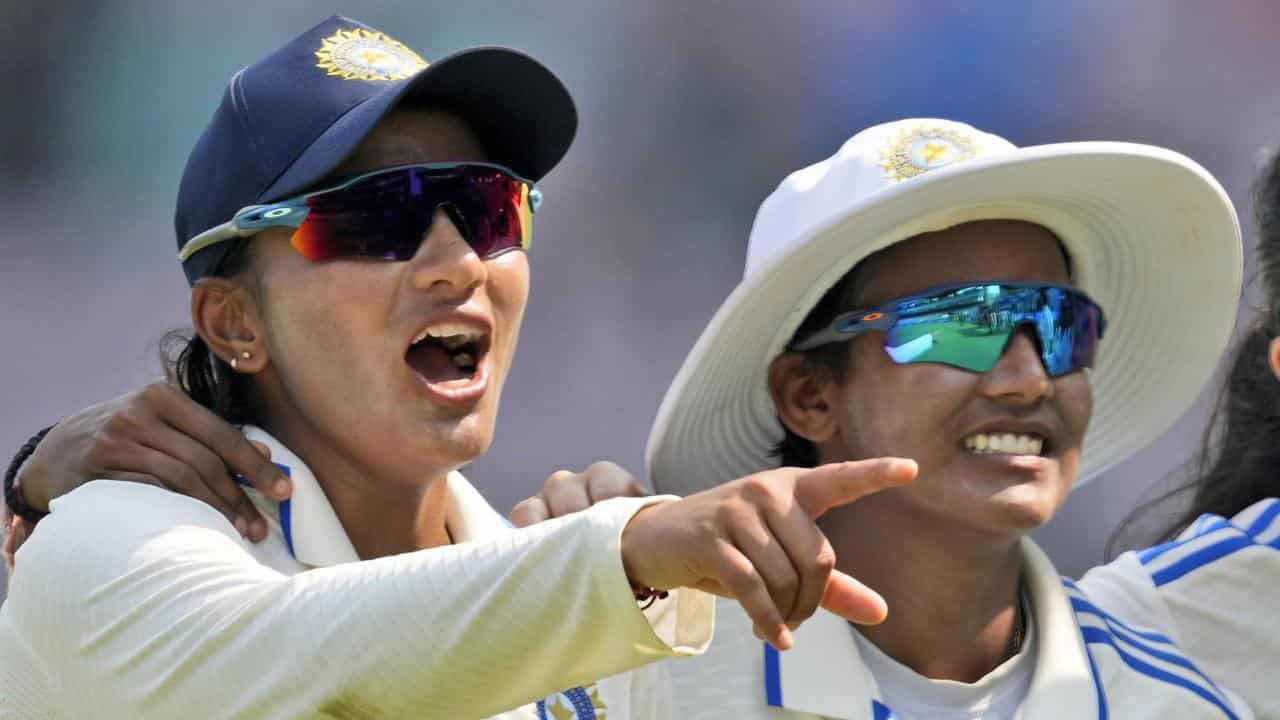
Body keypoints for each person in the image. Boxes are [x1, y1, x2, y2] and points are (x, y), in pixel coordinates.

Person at [0, 16, 916, 719]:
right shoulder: (100, 545)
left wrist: (620, 600)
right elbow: (298, 653)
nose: (458, 264)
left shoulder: (568, 599)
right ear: (234, 321)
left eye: (487, 210)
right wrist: (615, 562)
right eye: (378, 219)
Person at [642, 119, 1249, 718]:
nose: (1030, 380)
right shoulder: (639, 689)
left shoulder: (1178, 706)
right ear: (811, 397)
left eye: (1059, 324)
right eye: (961, 323)